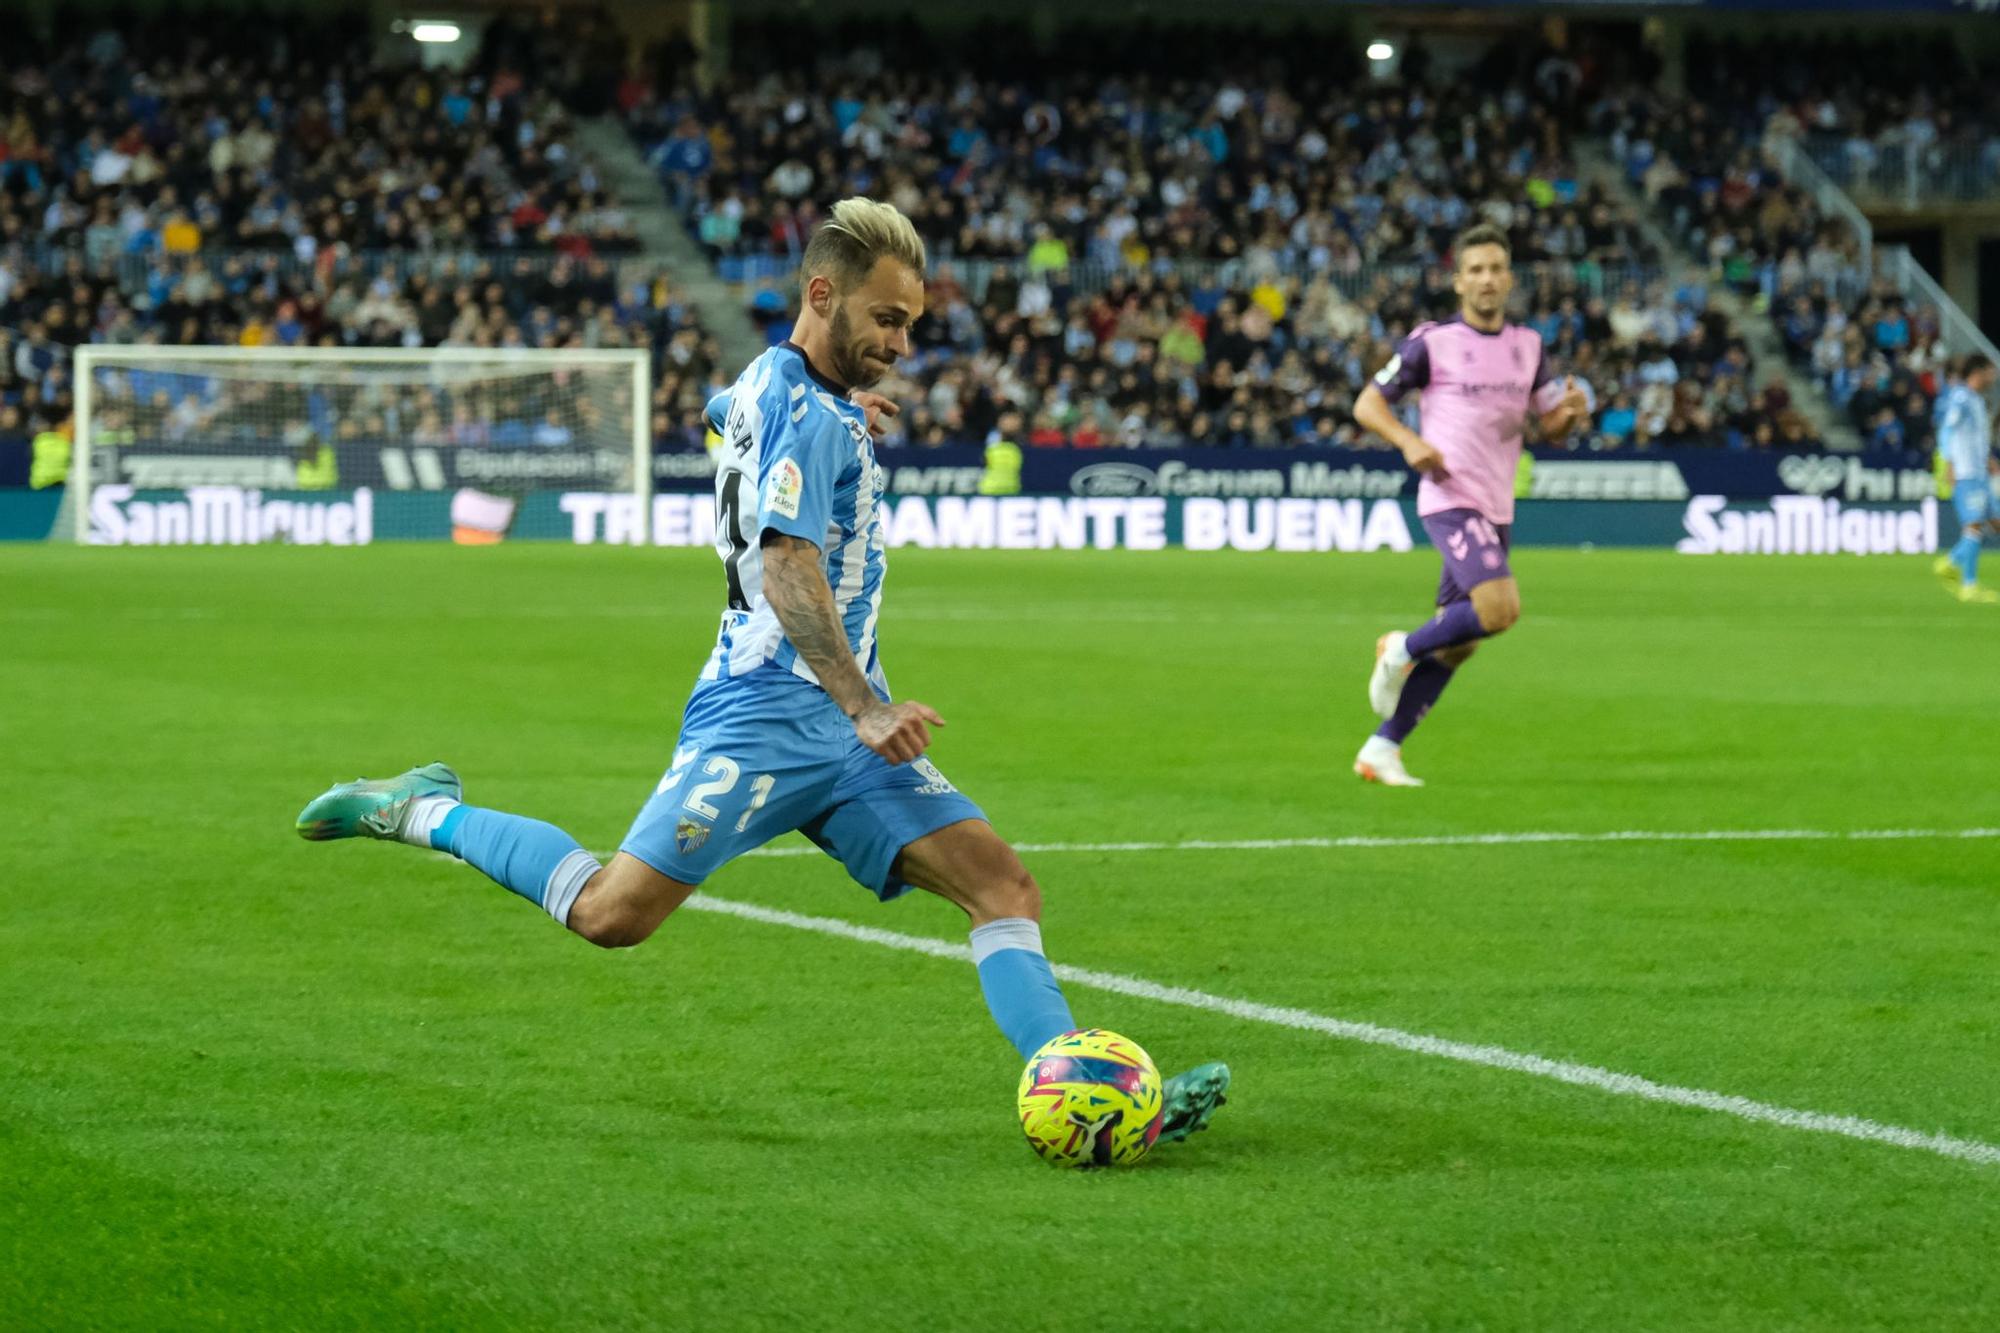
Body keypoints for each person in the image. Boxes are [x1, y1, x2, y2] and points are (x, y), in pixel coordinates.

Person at [295, 198, 1229, 1144]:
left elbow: (727, 415)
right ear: (823, 295)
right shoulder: (802, 412)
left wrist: (829, 409)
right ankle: (414, 807)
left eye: (912, 323)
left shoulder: (771, 386)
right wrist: (864, 705)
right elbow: (785, 562)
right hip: (766, 716)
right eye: (888, 320)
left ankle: (1092, 1098)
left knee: (1003, 888)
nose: (905, 344)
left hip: (840, 729)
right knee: (611, 913)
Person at [1349, 223, 1592, 787]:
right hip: (1450, 497)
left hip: (1496, 505)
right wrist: (1410, 442)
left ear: (1509, 279)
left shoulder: (1528, 346)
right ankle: (1400, 646)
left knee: (1461, 645)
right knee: (1501, 609)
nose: (1487, 279)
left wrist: (1571, 414)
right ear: (1458, 282)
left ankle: (1382, 749)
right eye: (1475, 270)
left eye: (1496, 269)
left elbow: (1548, 424)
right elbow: (1368, 404)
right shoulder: (1432, 342)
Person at [1931, 354, 1999, 604]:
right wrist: (1949, 463)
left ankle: (1957, 570)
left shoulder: (1976, 400)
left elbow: (1974, 437)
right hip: (1967, 473)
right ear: (1978, 372)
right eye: (1991, 372)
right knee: (1973, 526)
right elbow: (1947, 430)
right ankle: (1963, 579)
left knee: (1995, 522)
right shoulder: (1961, 398)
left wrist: (1988, 458)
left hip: (1979, 472)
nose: (1994, 377)